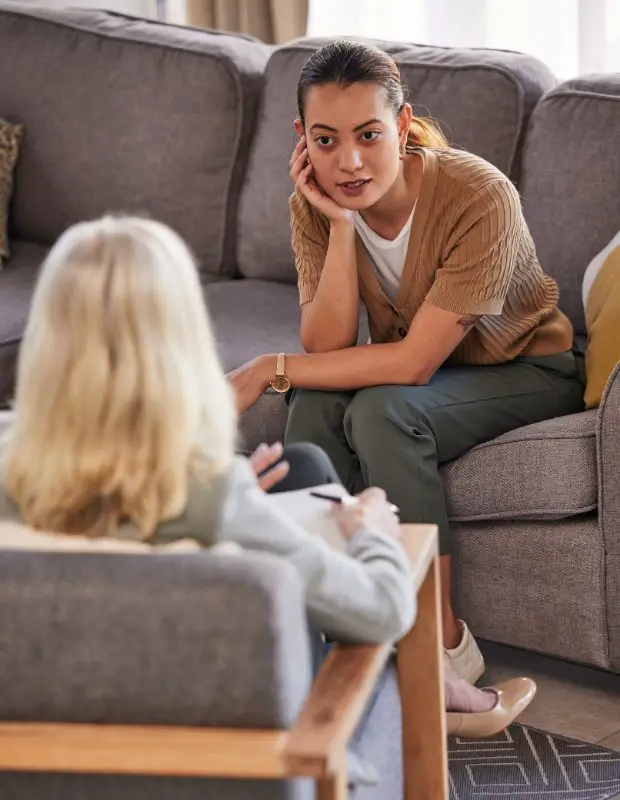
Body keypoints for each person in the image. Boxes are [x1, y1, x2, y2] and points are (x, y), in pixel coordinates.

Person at [0, 215, 535, 746]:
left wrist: (240, 498)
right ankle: (432, 686)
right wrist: (368, 532)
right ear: (178, 339)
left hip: (39, 717)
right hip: (221, 732)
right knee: (332, 515)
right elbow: (384, 609)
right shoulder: (206, 495)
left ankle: (438, 683)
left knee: (300, 469)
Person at [228, 40, 585, 684]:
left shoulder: (478, 195)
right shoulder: (315, 204)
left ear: (401, 122)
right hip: (430, 372)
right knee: (313, 399)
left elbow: (416, 364)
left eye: (369, 134)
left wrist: (263, 369)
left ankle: (440, 646)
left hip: (528, 369)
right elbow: (330, 349)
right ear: (301, 139)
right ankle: (333, 624)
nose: (350, 161)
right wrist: (339, 226)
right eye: (327, 140)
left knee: (386, 412)